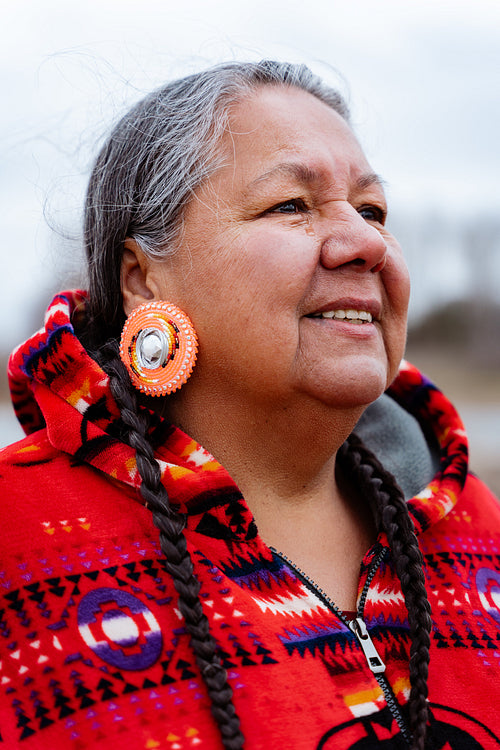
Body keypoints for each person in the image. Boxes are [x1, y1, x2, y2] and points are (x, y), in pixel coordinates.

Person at [1, 60, 499, 750]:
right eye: (291, 205)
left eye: (373, 210)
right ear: (142, 280)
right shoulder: (16, 539)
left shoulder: (478, 528)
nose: (364, 242)